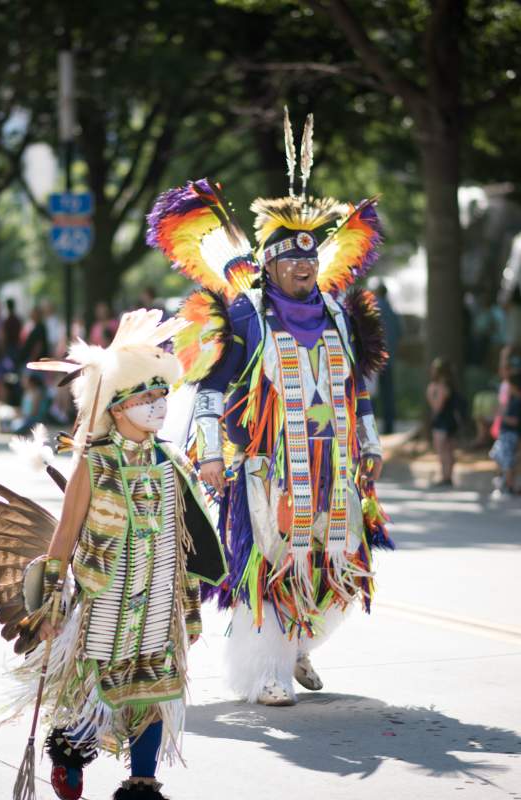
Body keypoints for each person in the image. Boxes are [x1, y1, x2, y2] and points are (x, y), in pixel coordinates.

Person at [147, 110, 393, 707]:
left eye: (310, 260)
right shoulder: (246, 314)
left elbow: (356, 383)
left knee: (330, 556)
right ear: (270, 264)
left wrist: (370, 443)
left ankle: (299, 643)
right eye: (291, 260)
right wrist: (208, 452)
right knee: (273, 559)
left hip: (331, 464)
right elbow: (210, 385)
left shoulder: (337, 313)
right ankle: (267, 672)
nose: (304, 268)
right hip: (266, 466)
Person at [0, 309, 226, 800]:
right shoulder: (95, 462)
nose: (157, 405)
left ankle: (142, 785)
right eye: (144, 396)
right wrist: (52, 599)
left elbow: (193, 531)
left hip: (161, 601)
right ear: (117, 407)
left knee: (155, 692)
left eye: (161, 394)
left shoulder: (172, 461)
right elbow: (64, 535)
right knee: (94, 691)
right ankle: (70, 747)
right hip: (106, 601)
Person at [426, 357, 461, 487]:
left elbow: (437, 406)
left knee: (442, 450)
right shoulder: (452, 385)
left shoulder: (440, 387)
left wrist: (430, 395)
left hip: (442, 422)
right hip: (452, 421)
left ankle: (445, 476)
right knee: (450, 450)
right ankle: (449, 475)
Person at [374, 282, 401, 434]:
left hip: (374, 357)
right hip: (389, 357)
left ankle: (370, 427)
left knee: (370, 394)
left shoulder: (374, 307)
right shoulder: (392, 310)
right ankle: (389, 426)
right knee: (388, 393)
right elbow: (400, 332)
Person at [490, 365, 521, 495]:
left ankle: (509, 486)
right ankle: (504, 482)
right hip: (505, 433)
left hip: (510, 434)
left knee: (507, 459)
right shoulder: (512, 400)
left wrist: (502, 415)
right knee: (497, 455)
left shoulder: (517, 402)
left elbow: (515, 421)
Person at [1, 298, 22, 364]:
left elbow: (4, 335)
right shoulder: (17, 320)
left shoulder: (7, 321)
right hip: (16, 345)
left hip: (10, 346)